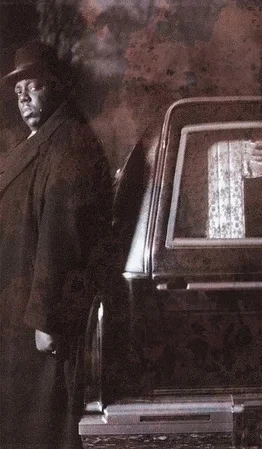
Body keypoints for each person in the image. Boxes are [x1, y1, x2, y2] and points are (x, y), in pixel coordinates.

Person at [0, 41, 112, 449]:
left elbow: (61, 236)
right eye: (18, 90)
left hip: (41, 320)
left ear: (59, 86)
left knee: (42, 427)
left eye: (34, 86)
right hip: (19, 310)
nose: (24, 97)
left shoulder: (70, 145)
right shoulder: (42, 142)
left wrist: (45, 320)